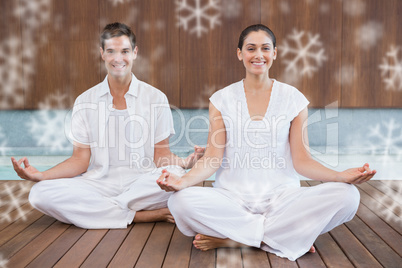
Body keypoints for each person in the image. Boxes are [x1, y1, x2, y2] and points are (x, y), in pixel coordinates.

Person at [157, 24, 376, 261]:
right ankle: (282, 237)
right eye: (251, 49)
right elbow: (212, 160)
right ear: (240, 53)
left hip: (282, 200)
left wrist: (340, 176)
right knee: (179, 202)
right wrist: (182, 181)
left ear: (275, 53)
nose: (258, 55)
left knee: (348, 197)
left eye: (265, 48)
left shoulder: (293, 99)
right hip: (233, 199)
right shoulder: (222, 99)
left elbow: (302, 161)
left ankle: (237, 240)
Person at [11, 22, 204, 229]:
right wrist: (41, 175)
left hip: (143, 183)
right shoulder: (85, 101)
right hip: (97, 184)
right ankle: (139, 215)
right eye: (111, 51)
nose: (118, 58)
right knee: (39, 194)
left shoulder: (156, 97)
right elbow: (80, 160)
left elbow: (161, 156)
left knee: (177, 179)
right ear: (102, 53)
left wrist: (186, 163)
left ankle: (101, 212)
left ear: (135, 53)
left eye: (125, 51)